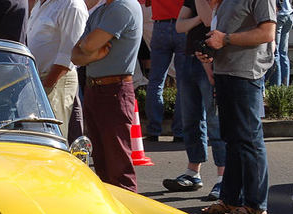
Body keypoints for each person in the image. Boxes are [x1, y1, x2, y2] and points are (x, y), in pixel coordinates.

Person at [198, 0, 275, 214]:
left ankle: (255, 205)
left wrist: (226, 39)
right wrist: (211, 48)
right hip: (226, 71)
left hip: (245, 73)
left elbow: (267, 32)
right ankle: (230, 198)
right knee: (233, 140)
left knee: (249, 140)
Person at [71, 0, 142, 192]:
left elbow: (87, 45)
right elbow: (75, 55)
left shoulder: (123, 5)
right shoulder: (103, 10)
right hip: (97, 89)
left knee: (119, 167)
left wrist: (88, 51)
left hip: (114, 91)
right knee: (102, 164)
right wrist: (92, 56)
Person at [162, 0, 224, 198]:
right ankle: (193, 172)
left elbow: (208, 20)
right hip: (190, 58)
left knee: (215, 122)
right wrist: (195, 19)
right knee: (191, 119)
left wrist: (195, 19)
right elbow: (180, 26)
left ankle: (223, 178)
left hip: (209, 59)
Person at [27, 0, 88, 140]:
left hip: (56, 80)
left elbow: (68, 55)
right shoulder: (40, 4)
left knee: (52, 138)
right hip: (38, 80)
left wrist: (47, 84)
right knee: (37, 137)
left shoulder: (72, 5)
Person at [143, 0, 185, 142]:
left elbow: (147, 3)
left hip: (160, 25)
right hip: (182, 25)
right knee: (183, 83)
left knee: (155, 81)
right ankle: (179, 132)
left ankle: (153, 130)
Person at [268, 0, 293, 87]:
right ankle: (284, 87)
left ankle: (276, 88)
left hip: (278, 15)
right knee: (283, 53)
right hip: (289, 14)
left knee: (275, 53)